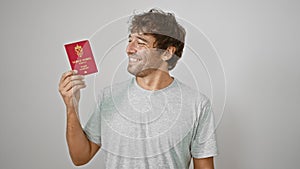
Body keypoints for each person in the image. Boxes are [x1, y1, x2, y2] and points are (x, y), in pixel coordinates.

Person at [59, 9, 218, 169]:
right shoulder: (108, 97)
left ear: (167, 52)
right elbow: (80, 157)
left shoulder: (197, 104)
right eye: (130, 40)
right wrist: (71, 107)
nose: (129, 49)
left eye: (141, 42)